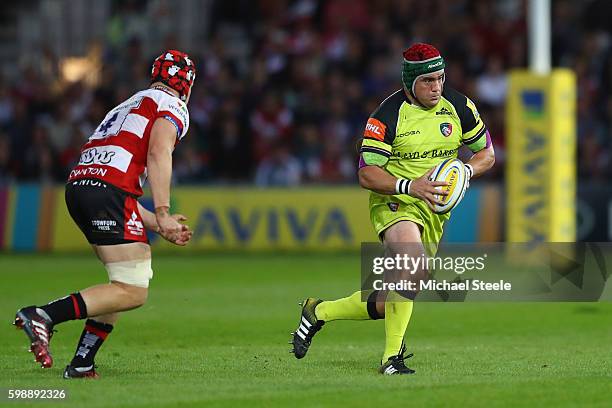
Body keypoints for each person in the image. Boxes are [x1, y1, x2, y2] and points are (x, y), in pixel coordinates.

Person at [290, 43, 495, 375]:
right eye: (428, 81)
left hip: (434, 211)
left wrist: (467, 170)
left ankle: (319, 311)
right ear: (410, 81)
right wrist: (411, 185)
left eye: (440, 79)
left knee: (391, 300)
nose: (437, 87)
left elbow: (487, 153)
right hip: (395, 201)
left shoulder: (459, 106)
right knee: (413, 264)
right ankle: (391, 359)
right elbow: (367, 173)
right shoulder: (386, 115)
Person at [13, 50, 196, 379]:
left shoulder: (129, 103)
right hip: (107, 190)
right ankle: (41, 315)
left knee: (121, 284)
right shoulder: (173, 106)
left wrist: (157, 223)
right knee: (133, 290)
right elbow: (158, 151)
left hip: (81, 187)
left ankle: (83, 363)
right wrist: (164, 210)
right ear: (186, 84)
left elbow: (115, 176)